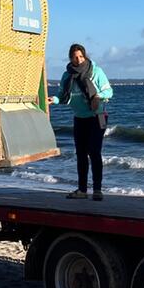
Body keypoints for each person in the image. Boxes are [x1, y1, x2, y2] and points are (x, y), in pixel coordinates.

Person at [49, 44, 113, 200]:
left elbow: (109, 91)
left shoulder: (95, 72)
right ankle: (82, 190)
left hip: (97, 117)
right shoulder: (67, 75)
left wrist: (97, 97)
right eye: (75, 57)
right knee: (81, 154)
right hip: (80, 118)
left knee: (94, 152)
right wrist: (53, 100)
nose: (78, 60)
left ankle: (97, 190)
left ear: (85, 56)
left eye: (81, 56)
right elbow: (63, 97)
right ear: (70, 58)